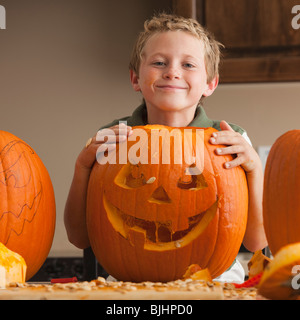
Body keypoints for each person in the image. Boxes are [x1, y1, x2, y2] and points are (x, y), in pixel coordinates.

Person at [64, 13, 267, 282]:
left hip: (217, 284)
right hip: (128, 287)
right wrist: (82, 166)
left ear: (210, 83)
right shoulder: (114, 138)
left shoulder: (230, 140)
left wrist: (254, 169)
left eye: (188, 65)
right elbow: (78, 237)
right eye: (159, 62)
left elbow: (256, 242)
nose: (172, 71)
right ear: (136, 78)